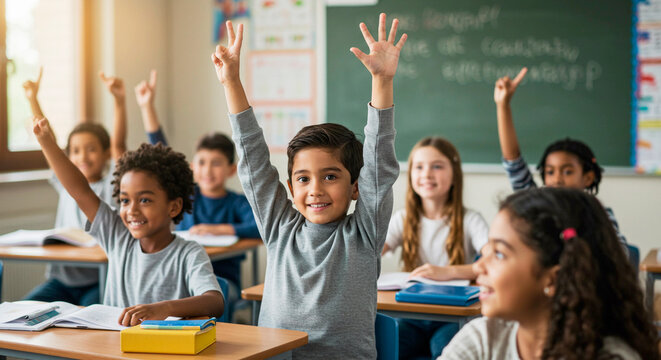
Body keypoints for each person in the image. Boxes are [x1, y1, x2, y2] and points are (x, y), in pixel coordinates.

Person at [211, 14, 406, 357]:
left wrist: (382, 82)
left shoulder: (364, 233)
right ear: (290, 186)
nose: (315, 189)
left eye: (330, 177)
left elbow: (380, 166)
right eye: (303, 179)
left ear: (356, 187)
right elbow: (253, 160)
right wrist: (231, 83)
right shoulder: (280, 227)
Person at [33, 116, 224, 326]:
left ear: (174, 206)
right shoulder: (117, 235)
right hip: (114, 349)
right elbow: (80, 191)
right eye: (124, 200)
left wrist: (164, 308)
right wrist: (46, 142)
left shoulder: (189, 253)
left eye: (144, 200)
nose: (132, 210)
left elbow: (214, 301)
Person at [439, 187, 659, 360]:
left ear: (553, 279)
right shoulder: (484, 337)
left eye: (499, 254)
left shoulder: (611, 356)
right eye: (487, 249)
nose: (478, 266)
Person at [134, 70, 259, 300]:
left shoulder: (237, 203)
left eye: (217, 163)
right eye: (202, 162)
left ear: (232, 169)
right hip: (182, 274)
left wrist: (219, 229)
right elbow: (162, 153)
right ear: (192, 166)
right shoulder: (187, 196)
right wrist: (147, 107)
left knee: (209, 293)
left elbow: (260, 227)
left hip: (222, 280)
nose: (208, 170)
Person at [22, 69, 127, 306]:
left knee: (86, 323)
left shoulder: (113, 182)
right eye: (76, 151)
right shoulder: (64, 181)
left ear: (105, 153)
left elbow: (119, 144)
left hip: (98, 281)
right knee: (21, 310)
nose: (82, 156)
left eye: (91, 149)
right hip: (61, 282)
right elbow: (48, 140)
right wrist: (33, 99)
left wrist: (119, 101)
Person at [494, 68, 627, 248]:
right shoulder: (538, 207)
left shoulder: (600, 215)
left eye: (567, 171)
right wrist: (503, 106)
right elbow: (513, 162)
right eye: (550, 171)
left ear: (588, 177)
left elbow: (619, 254)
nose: (557, 178)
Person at [383, 137, 489, 359]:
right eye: (419, 167)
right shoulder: (402, 219)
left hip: (453, 314)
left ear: (454, 175)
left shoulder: (471, 220)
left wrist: (447, 272)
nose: (427, 174)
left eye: (437, 166)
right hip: (413, 313)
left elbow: (491, 262)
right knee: (392, 346)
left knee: (442, 347)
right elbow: (372, 250)